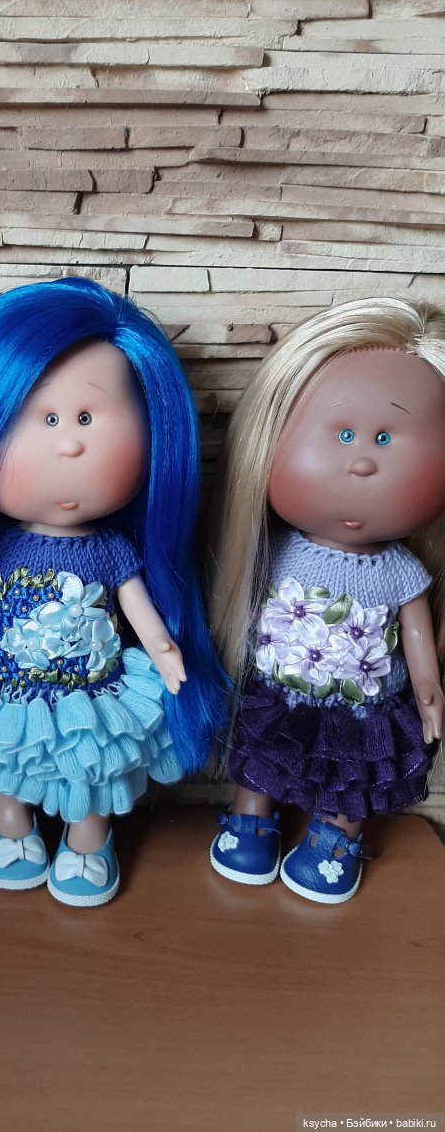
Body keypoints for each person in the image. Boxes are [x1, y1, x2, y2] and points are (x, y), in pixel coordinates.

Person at [0, 277, 227, 907]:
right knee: (9, 757)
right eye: (45, 420)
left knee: (94, 764)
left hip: (91, 690)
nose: (70, 442)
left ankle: (88, 836)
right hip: (9, 687)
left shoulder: (112, 549)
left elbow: (138, 605)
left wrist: (165, 648)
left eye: (85, 418)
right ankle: (9, 823)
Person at [209, 297, 445, 903]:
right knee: (264, 754)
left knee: (352, 774)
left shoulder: (400, 571)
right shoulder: (276, 551)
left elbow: (416, 634)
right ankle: (253, 817)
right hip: (279, 690)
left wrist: (428, 690)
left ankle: (335, 838)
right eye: (343, 434)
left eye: (386, 438)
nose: (361, 461)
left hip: (362, 706)